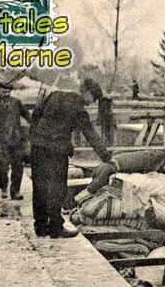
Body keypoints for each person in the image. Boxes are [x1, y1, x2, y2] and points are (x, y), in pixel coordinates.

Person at [29, 78, 112, 238]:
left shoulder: (54, 95)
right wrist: (107, 157)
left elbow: (35, 115)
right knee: (57, 189)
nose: (91, 103)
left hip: (38, 148)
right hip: (57, 151)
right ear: (86, 92)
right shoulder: (79, 109)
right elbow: (90, 134)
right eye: (93, 98)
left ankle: (40, 227)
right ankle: (55, 228)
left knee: (39, 187)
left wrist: (36, 138)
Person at [0, 82, 32, 201]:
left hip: (17, 141)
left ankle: (15, 191)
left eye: (8, 92)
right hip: (1, 142)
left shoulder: (16, 103)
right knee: (3, 167)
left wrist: (35, 125)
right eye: (4, 92)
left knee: (18, 167)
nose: (6, 94)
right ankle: (3, 188)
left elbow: (28, 116)